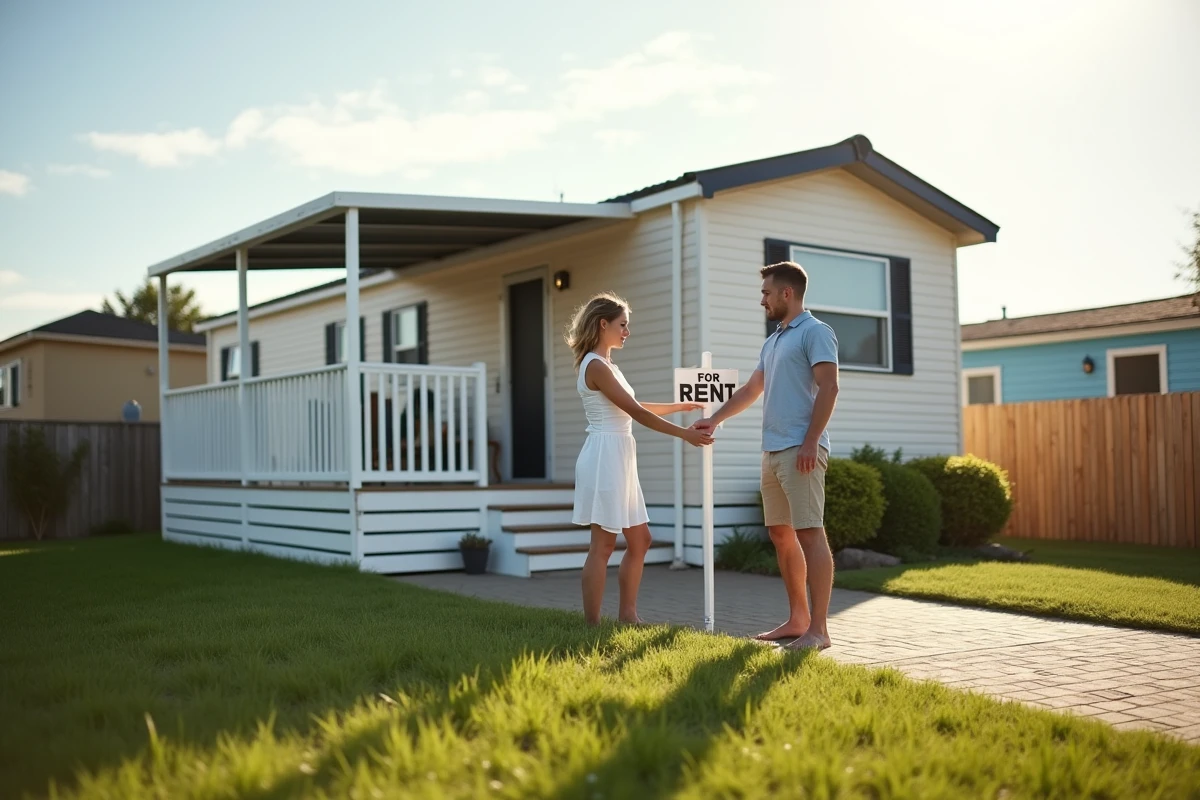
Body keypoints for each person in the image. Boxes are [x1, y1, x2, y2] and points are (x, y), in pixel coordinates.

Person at [693, 262, 840, 651]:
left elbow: (829, 388)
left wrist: (811, 441)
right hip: (772, 450)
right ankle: (798, 619)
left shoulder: (816, 332)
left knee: (810, 533)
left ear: (786, 293)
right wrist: (715, 420)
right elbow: (752, 389)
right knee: (780, 534)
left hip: (801, 449)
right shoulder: (774, 341)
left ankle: (820, 631)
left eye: (766, 293)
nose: (762, 299)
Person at [566, 292, 714, 626]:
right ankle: (592, 625)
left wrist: (678, 406)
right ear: (603, 324)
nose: (627, 332)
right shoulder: (595, 365)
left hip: (619, 455)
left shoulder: (608, 366)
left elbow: (633, 406)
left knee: (640, 539)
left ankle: (628, 616)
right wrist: (685, 435)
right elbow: (634, 412)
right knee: (603, 545)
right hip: (604, 456)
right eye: (622, 325)